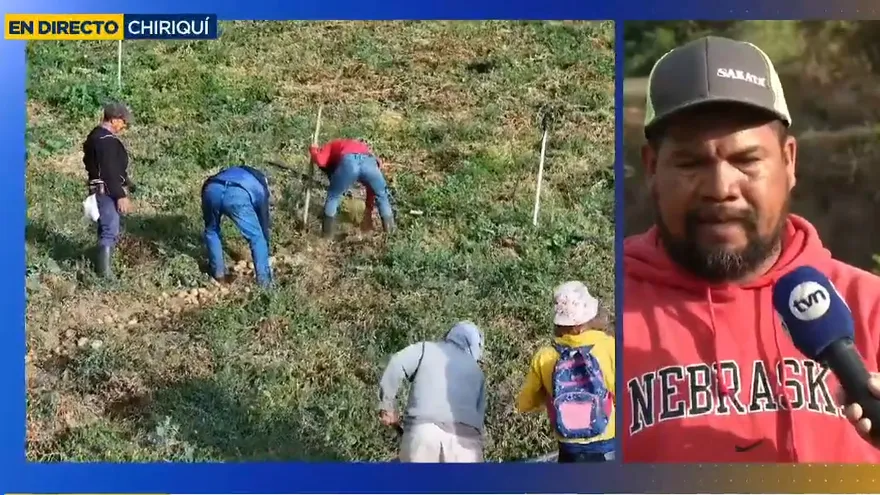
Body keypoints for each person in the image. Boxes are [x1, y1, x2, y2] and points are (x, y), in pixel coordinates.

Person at [623, 35, 880, 463]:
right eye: (690, 163)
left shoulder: (870, 306)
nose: (721, 189)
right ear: (652, 168)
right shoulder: (608, 312)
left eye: (746, 160)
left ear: (789, 162)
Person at [516, 281, 615, 462]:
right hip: (606, 444)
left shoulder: (545, 356)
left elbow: (525, 403)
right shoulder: (610, 347)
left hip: (568, 448)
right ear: (591, 316)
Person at [378, 321, 486, 462]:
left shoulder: (426, 349)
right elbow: (479, 419)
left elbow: (397, 363)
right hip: (466, 448)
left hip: (424, 435)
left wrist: (387, 406)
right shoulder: (478, 373)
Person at [82, 101, 135, 279]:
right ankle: (104, 276)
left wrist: (126, 181)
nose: (124, 126)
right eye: (123, 121)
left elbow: (98, 167)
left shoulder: (94, 137)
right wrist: (121, 195)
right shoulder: (107, 141)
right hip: (106, 191)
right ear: (113, 120)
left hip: (97, 188)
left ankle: (99, 269)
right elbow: (110, 171)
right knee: (110, 229)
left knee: (105, 228)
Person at [200, 165, 273, 288]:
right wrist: (266, 244)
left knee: (211, 230)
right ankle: (265, 285)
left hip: (211, 189)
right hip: (237, 195)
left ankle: (219, 275)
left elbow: (208, 183)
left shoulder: (235, 171)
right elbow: (263, 220)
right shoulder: (260, 185)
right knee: (257, 238)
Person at [308, 138, 395, 238]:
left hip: (349, 162)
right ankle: (390, 237)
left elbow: (320, 160)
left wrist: (313, 150)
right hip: (370, 162)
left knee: (333, 196)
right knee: (382, 196)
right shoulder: (359, 146)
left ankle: (326, 238)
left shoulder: (331, 145)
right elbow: (371, 189)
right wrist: (368, 211)